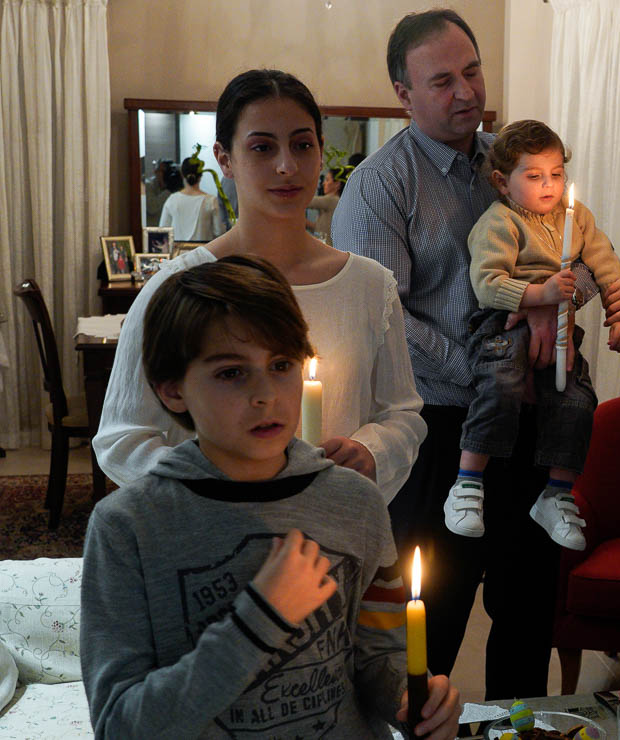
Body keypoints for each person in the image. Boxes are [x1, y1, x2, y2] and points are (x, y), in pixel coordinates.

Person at [332, 8, 620, 697]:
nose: (466, 91)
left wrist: (552, 305)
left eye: (472, 71)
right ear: (403, 94)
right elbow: (383, 320)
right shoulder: (381, 185)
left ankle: (518, 729)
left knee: (527, 611)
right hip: (438, 431)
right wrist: (488, 366)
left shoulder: (518, 161)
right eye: (442, 80)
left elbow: (583, 253)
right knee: (432, 622)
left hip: (530, 425)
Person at [81, 256, 461, 739]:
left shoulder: (356, 502)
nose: (266, 395)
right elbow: (119, 725)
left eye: (281, 365)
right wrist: (259, 622)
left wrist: (412, 699)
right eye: (231, 373)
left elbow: (378, 656)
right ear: (172, 390)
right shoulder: (128, 526)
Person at [93, 69, 427, 508]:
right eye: (262, 147)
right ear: (225, 158)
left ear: (320, 151)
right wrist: (212, 481)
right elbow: (121, 437)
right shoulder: (178, 288)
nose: (287, 166)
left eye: (302, 145)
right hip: (214, 528)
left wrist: (371, 450)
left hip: (331, 520)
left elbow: (402, 414)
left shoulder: (369, 285)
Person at [446, 119, 620, 548]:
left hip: (562, 321)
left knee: (577, 397)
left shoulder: (575, 216)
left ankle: (557, 494)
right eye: (534, 176)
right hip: (502, 321)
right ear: (502, 181)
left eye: (556, 174)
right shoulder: (500, 221)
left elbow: (604, 262)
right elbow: (487, 284)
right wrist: (538, 295)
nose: (549, 185)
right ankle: (468, 482)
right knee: (500, 384)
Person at [159, 155, 226, 241]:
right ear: (201, 176)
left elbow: (162, 231)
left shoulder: (172, 200)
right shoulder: (211, 201)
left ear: (182, 174)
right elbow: (219, 232)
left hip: (177, 249)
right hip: (204, 249)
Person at [308, 152, 362, 242]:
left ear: (337, 184)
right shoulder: (338, 201)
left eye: (327, 180)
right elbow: (320, 229)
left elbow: (306, 201)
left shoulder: (332, 200)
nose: (323, 183)